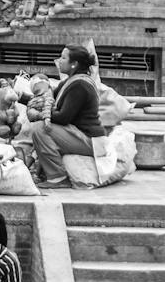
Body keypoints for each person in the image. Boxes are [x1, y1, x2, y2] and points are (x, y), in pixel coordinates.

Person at [27, 45, 107, 186]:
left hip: (89, 140)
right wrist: (20, 97)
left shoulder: (80, 85)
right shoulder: (69, 82)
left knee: (39, 129)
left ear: (74, 64)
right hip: (76, 134)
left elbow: (64, 117)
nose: (59, 60)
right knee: (40, 127)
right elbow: (46, 100)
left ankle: (58, 177)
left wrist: (41, 114)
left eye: (64, 58)